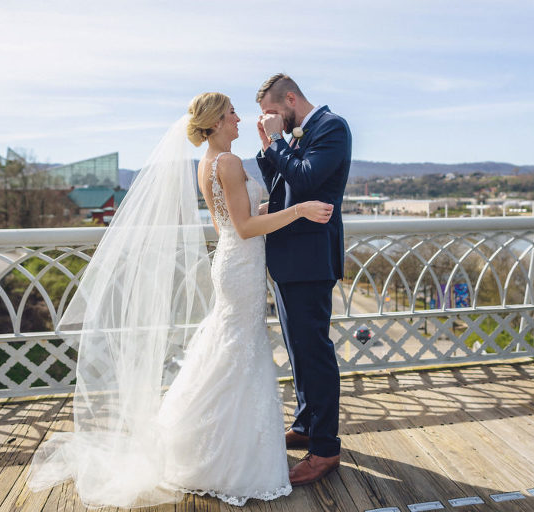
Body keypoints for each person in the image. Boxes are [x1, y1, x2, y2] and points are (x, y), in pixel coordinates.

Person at [27, 92, 334, 508]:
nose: (239, 118)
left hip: (232, 261)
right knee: (236, 350)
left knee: (230, 347)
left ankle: (209, 441)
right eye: (231, 114)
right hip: (240, 263)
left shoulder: (209, 163)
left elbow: (227, 219)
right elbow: (244, 226)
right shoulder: (225, 162)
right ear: (217, 122)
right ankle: (219, 455)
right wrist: (298, 211)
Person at [256, 74, 352, 485]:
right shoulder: (294, 135)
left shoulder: (332, 127)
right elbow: (281, 186)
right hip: (287, 258)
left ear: (290, 99)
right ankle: (307, 423)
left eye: (272, 112)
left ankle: (326, 448)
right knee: (297, 350)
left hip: (311, 260)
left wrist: (279, 143)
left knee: (314, 351)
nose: (269, 120)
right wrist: (268, 147)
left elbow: (307, 179)